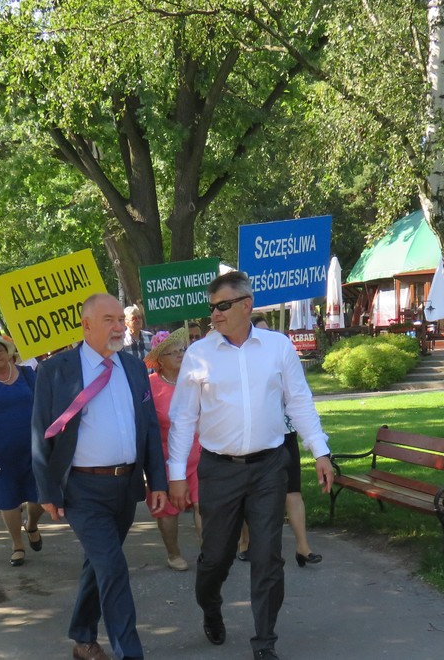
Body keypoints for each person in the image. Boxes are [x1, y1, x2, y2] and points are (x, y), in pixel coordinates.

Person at [168, 271, 333, 660]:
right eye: (211, 308)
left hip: (269, 467)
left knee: (267, 556)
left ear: (246, 305)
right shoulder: (199, 354)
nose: (215, 315)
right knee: (216, 557)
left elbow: (299, 402)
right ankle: (210, 607)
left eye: (223, 306)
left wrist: (320, 451)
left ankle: (265, 641)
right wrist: (177, 474)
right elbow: (183, 419)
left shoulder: (278, 347)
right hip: (218, 470)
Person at [32, 293, 168, 660]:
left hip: (125, 486)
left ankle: (82, 635)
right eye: (108, 319)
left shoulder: (134, 367)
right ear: (86, 325)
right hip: (82, 490)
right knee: (114, 569)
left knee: (99, 564)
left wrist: (157, 481)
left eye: (119, 320)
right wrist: (47, 489)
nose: (118, 326)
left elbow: (149, 428)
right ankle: (130, 653)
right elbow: (40, 431)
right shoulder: (55, 370)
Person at [237, 316, 322, 567]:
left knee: (292, 491)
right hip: (258, 440)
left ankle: (303, 547)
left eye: (269, 332)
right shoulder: (246, 365)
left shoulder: (280, 357)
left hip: (286, 435)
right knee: (247, 495)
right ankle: (245, 541)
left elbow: (299, 398)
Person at [0, 334, 44, 567]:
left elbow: (43, 405)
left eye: (0, 351)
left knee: (40, 498)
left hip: (33, 447)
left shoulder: (27, 374)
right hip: (0, 452)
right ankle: (17, 544)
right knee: (8, 500)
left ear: (9, 352)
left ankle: (31, 525)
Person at [143, 328, 201, 572]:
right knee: (168, 510)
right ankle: (173, 553)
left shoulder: (194, 379)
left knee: (204, 505)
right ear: (160, 360)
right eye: (173, 351)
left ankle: (209, 552)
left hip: (198, 455)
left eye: (182, 350)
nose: (180, 354)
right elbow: (143, 425)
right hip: (165, 458)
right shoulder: (149, 386)